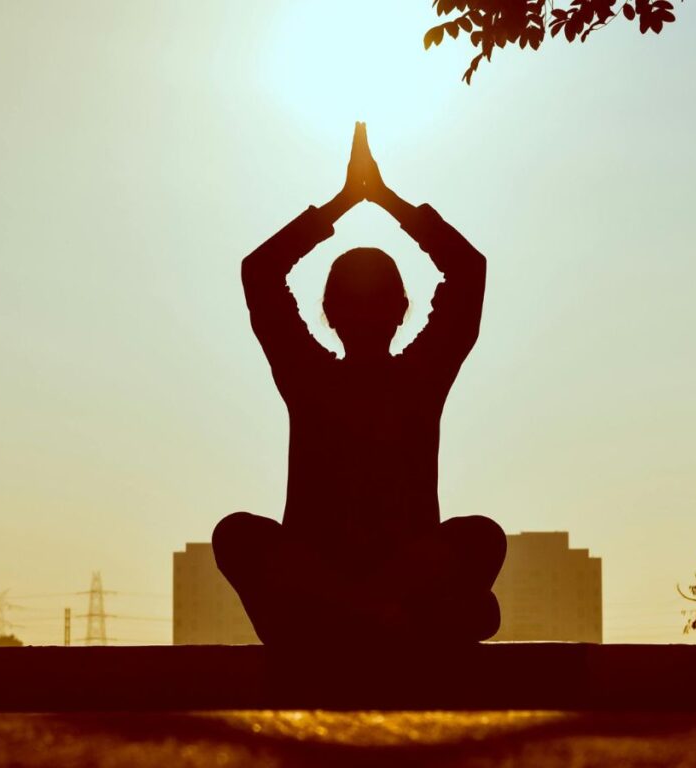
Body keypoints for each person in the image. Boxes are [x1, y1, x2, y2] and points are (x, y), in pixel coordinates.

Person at [213, 123, 505, 646]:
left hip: (346, 597)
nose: (368, 312)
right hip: (353, 592)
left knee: (482, 537)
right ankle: (377, 614)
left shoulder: (329, 374)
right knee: (236, 534)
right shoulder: (391, 375)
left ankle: (361, 613)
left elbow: (261, 273)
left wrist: (350, 202)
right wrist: (378, 201)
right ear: (403, 311)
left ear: (326, 313)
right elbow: (467, 269)